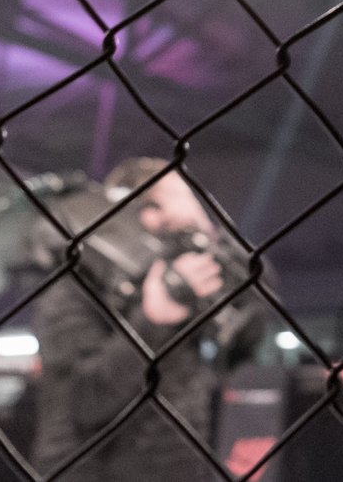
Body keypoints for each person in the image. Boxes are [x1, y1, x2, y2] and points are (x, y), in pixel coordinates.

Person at [28, 157, 253, 481]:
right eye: (171, 199)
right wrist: (152, 321)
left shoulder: (185, 287)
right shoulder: (72, 288)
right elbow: (85, 401)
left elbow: (251, 326)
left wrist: (208, 238)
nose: (184, 211)